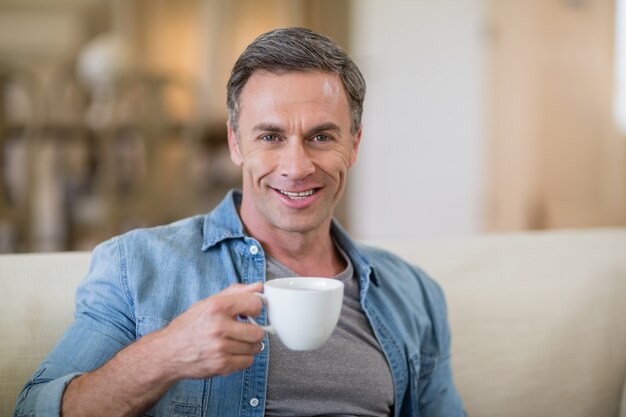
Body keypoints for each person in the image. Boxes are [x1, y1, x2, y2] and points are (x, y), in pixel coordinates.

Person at [14, 27, 466, 417]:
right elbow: (35, 409)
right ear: (235, 143)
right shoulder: (136, 265)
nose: (297, 166)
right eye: (270, 136)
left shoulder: (414, 294)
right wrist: (168, 354)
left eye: (321, 136)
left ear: (354, 144)